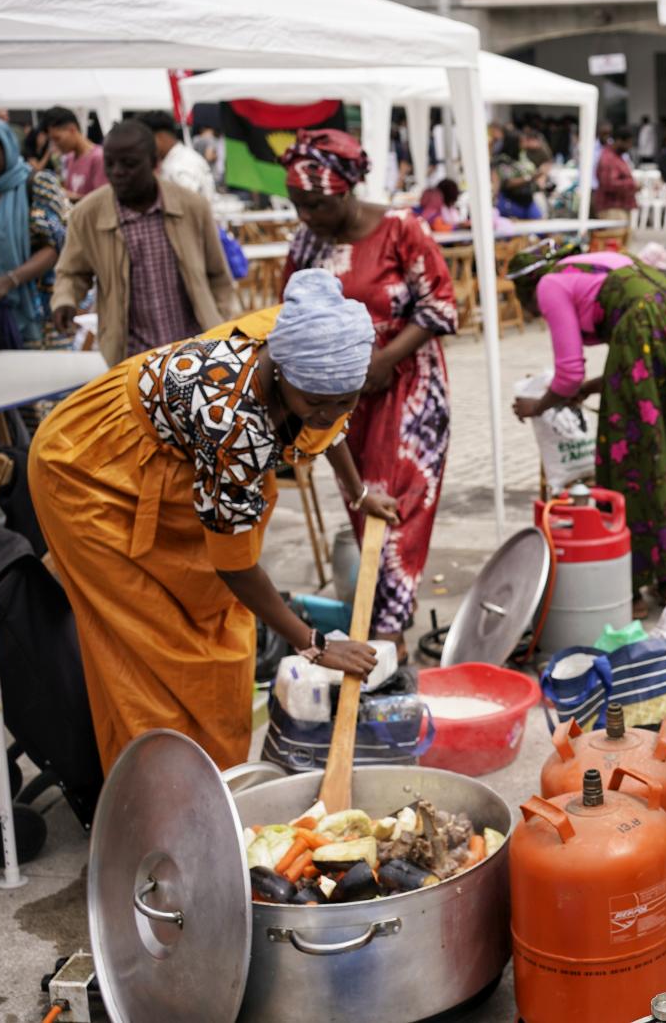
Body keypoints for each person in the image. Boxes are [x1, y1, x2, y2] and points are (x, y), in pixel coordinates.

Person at [30, 270, 400, 771]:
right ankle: (155, 791)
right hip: (88, 470)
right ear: (284, 373)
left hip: (175, 466)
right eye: (315, 401)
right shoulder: (235, 424)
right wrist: (314, 643)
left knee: (217, 637)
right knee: (149, 649)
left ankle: (208, 775)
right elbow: (234, 567)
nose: (328, 413)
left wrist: (359, 495)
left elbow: (327, 426)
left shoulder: (312, 331)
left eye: (346, 399)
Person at [280, 130, 456, 664]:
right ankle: (382, 623)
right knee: (364, 506)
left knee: (398, 508)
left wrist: (384, 360)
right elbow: (289, 314)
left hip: (407, 391)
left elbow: (442, 305)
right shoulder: (306, 245)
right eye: (298, 205)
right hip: (340, 399)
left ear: (347, 190)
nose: (306, 215)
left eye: (316, 204)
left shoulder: (402, 229)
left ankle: (390, 632)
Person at [509, 242, 666, 611]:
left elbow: (569, 373)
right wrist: (589, 389)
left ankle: (633, 584)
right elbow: (639, 354)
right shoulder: (595, 263)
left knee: (634, 459)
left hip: (649, 328)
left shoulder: (549, 284)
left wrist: (536, 406)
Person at [52, 120, 236, 365]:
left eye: (129, 164)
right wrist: (65, 300)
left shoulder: (192, 207)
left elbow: (218, 275)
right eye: (111, 164)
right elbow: (72, 272)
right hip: (130, 356)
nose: (117, 172)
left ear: (153, 162)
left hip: (194, 349)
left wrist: (219, 324)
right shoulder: (87, 215)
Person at [0, 116, 68, 351]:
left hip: (38, 308)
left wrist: (10, 280)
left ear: (6, 147)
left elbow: (55, 246)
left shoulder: (38, 184)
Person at [142, 110, 216, 201]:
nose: (143, 146)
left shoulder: (180, 166)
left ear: (159, 137)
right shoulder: (181, 157)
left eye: (144, 140)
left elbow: (190, 206)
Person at [41, 106, 107, 202]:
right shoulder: (69, 158)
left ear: (72, 129)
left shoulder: (99, 158)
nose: (56, 144)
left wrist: (69, 197)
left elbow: (103, 201)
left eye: (57, 138)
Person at [494, 131, 543, 221]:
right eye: (522, 142)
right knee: (517, 231)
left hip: (527, 200)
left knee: (541, 226)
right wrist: (530, 178)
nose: (525, 145)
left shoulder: (522, 157)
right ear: (514, 143)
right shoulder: (503, 161)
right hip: (511, 201)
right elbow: (507, 183)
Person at [595, 124, 638, 221]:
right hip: (612, 208)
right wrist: (632, 184)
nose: (630, 146)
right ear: (619, 141)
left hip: (620, 206)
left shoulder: (618, 156)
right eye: (628, 143)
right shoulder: (609, 158)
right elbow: (608, 183)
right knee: (614, 236)